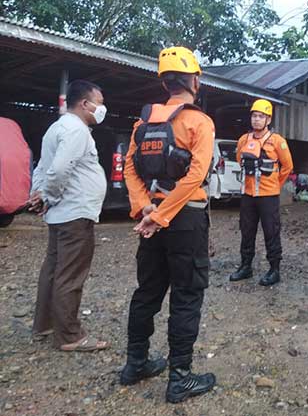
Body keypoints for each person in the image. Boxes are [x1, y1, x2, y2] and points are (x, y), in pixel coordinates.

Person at [120, 46, 216, 403]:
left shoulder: (143, 123)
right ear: (194, 79)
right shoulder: (198, 121)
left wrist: (145, 208)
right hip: (185, 218)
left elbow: (130, 168)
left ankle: (136, 363)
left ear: (165, 82)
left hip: (153, 218)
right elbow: (196, 176)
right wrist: (160, 215)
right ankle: (180, 377)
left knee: (147, 290)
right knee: (187, 293)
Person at [29, 80, 109, 351]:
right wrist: (48, 196)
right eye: (99, 102)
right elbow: (60, 168)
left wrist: (39, 193)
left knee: (53, 269)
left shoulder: (56, 127)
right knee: (70, 273)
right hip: (75, 211)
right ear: (85, 104)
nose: (102, 108)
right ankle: (70, 336)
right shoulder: (77, 130)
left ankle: (45, 324)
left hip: (62, 213)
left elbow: (42, 167)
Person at [229, 99, 293, 286]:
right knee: (246, 231)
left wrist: (275, 185)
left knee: (271, 232)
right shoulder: (243, 140)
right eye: (254, 116)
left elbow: (287, 166)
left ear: (268, 119)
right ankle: (245, 266)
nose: (256, 120)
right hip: (248, 194)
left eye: (261, 116)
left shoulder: (277, 141)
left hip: (268, 196)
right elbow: (239, 158)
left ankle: (274, 269)